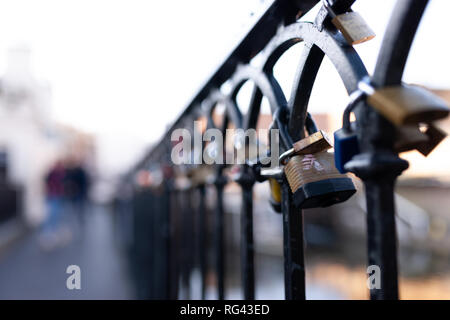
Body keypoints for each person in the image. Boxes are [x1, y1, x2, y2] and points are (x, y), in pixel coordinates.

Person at [39, 160, 67, 250]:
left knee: (56, 214)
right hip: (53, 195)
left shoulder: (60, 173)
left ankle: (52, 233)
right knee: (52, 214)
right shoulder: (54, 173)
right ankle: (48, 234)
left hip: (56, 196)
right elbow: (48, 182)